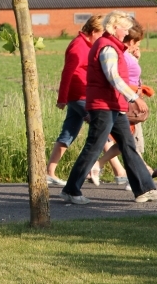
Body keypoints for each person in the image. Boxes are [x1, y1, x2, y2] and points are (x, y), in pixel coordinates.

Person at [60, 11, 157, 204]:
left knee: (128, 145)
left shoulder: (113, 47)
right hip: (103, 105)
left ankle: (144, 189)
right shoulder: (107, 48)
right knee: (94, 146)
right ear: (114, 27)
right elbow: (113, 77)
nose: (126, 32)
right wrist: (134, 98)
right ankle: (71, 190)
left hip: (114, 105)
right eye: (124, 28)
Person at [89, 19, 157, 189]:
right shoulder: (118, 53)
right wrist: (136, 95)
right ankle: (138, 179)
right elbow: (117, 79)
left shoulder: (125, 54)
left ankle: (136, 176)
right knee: (129, 142)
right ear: (130, 40)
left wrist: (137, 58)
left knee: (127, 142)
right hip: (125, 102)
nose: (137, 45)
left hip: (125, 101)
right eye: (137, 42)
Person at [46, 15, 117, 186]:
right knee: (103, 128)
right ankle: (117, 171)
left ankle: (49, 172)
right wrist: (62, 98)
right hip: (80, 96)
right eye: (101, 34)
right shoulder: (78, 47)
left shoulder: (86, 45)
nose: (103, 39)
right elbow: (67, 73)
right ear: (92, 32)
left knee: (68, 133)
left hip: (79, 95)